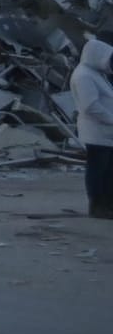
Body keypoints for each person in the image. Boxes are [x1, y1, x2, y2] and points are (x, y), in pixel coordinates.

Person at [69, 37, 113, 219]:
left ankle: (107, 205)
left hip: (105, 132)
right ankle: (97, 206)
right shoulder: (84, 75)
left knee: (108, 171)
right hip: (96, 132)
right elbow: (91, 106)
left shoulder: (96, 73)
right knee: (98, 170)